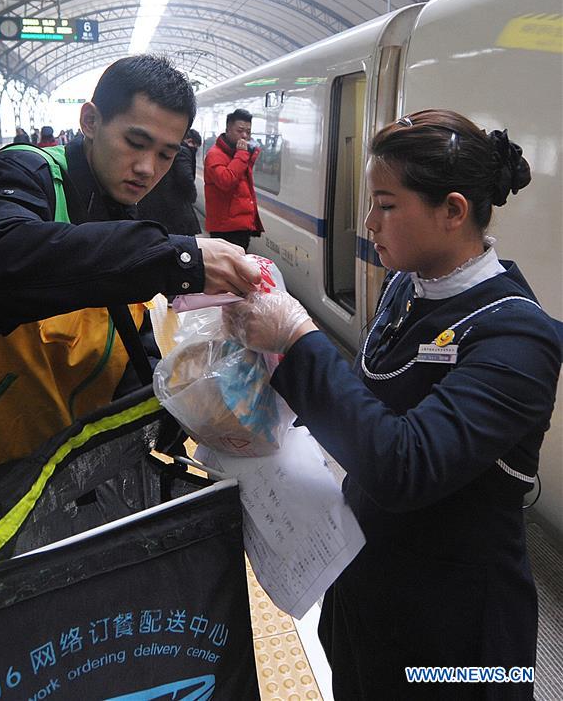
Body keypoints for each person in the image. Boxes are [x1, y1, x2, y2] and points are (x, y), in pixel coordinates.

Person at [225, 110, 561, 700]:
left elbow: (405, 465)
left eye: (386, 204)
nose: (367, 223)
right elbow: (365, 404)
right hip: (370, 590)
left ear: (453, 211)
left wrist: (298, 339)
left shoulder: (517, 339)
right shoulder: (409, 285)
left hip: (456, 636)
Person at [0, 55, 260, 490]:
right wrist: (179, 260)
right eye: (135, 142)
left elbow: (125, 335)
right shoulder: (24, 173)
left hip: (40, 475)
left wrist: (189, 399)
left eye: (165, 154)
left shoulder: (124, 214)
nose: (147, 168)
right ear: (91, 120)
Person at [204, 108, 263, 251]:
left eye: (248, 132)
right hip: (225, 228)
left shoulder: (238, 154)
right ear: (228, 129)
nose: (244, 136)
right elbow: (226, 181)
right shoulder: (215, 155)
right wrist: (242, 154)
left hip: (240, 225)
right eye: (240, 130)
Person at [137, 127, 201, 236]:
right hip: (173, 207)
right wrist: (192, 196)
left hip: (156, 204)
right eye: (195, 147)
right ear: (190, 141)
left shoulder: (164, 150)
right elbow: (186, 177)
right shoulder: (183, 151)